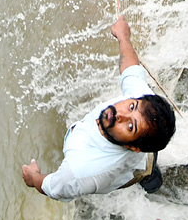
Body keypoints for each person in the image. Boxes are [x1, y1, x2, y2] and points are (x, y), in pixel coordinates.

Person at [22, 15, 175, 200]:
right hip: (142, 150)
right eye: (131, 106)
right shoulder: (142, 104)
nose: (121, 114)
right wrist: (123, 37)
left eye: (130, 126)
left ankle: (151, 181)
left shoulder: (78, 171)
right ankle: (149, 165)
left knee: (146, 171)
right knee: (147, 151)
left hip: (127, 170)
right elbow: (130, 69)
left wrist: (32, 176)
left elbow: (51, 187)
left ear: (131, 146)